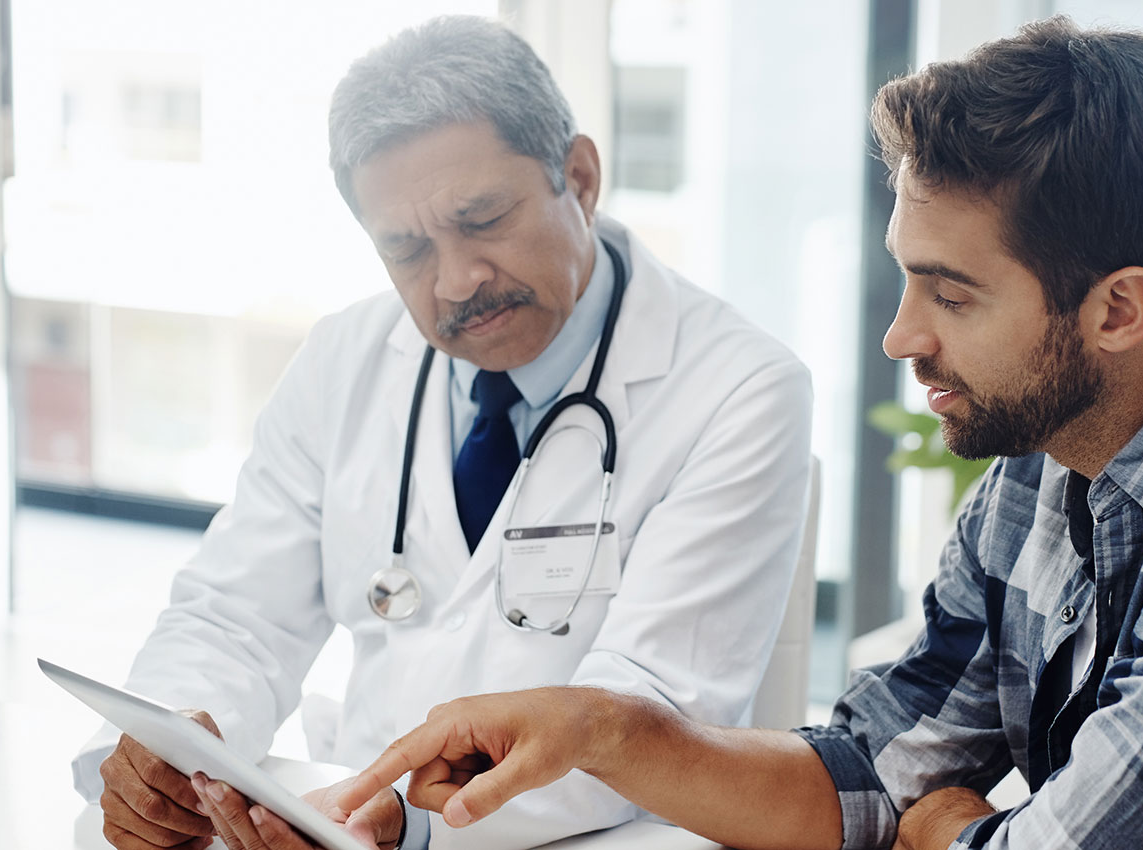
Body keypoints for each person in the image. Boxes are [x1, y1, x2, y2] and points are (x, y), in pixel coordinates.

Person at [310, 16, 1143, 850]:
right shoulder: (1053, 449)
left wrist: (947, 834)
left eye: (951, 294)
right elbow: (875, 767)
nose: (900, 336)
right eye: (906, 278)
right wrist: (598, 727)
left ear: (1117, 307)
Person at [74, 15, 814, 850]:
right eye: (407, 249)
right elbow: (236, 617)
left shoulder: (740, 389)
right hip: (347, 826)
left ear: (578, 176)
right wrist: (172, 752)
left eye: (483, 219)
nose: (456, 280)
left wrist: (416, 819)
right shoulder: (343, 359)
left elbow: (647, 716)